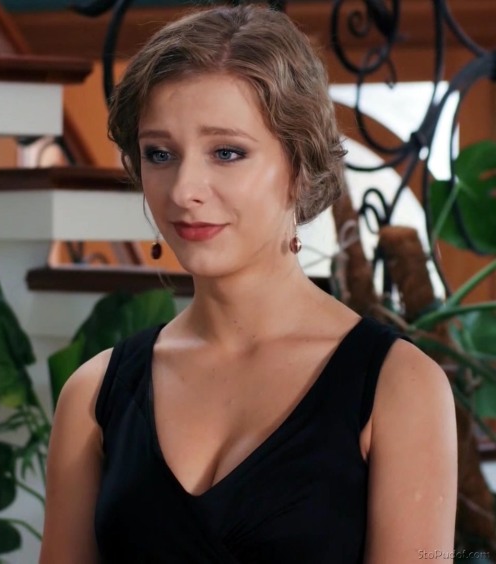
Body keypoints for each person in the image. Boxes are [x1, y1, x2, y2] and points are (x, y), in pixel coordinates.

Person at [39, 5, 457, 563]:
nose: (183, 189)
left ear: (299, 166)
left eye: (227, 153)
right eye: (160, 154)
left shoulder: (399, 387)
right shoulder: (94, 394)